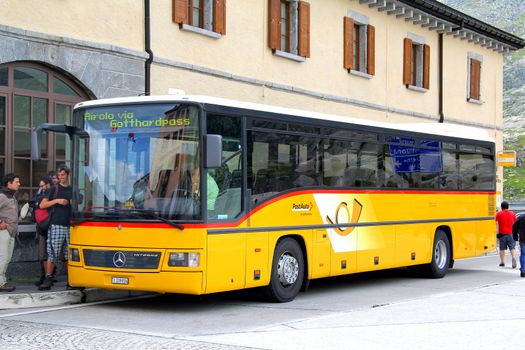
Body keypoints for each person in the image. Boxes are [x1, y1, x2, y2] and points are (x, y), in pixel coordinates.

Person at [38, 167, 73, 290]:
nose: (61, 177)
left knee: (70, 255)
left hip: (70, 225)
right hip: (56, 224)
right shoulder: (54, 188)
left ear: (68, 175)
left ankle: (72, 280)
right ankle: (48, 278)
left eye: (63, 175)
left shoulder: (72, 189)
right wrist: (57, 200)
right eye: (59, 175)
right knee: (53, 252)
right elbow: (42, 205)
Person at [0, 173, 21, 292]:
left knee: (6, 259)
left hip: (11, 232)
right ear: (9, 183)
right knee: (3, 258)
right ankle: (1, 283)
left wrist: (16, 228)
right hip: (4, 231)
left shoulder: (11, 196)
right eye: (16, 182)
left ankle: (2, 281)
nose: (19, 184)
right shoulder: (2, 196)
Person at [30, 176, 52, 286]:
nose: (41, 188)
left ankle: (50, 276)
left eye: (43, 185)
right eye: (40, 186)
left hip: (51, 228)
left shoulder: (53, 195)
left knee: (52, 254)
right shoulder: (40, 196)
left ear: (48, 184)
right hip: (42, 229)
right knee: (42, 254)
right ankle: (43, 276)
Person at [495, 201, 517, 268]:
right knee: (512, 248)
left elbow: (497, 224)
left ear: (501, 207)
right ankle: (513, 258)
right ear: (508, 207)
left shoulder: (498, 214)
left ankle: (502, 262)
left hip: (502, 234)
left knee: (502, 249)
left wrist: (497, 233)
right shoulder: (512, 213)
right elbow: (515, 223)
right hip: (511, 233)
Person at [512, 213, 525, 277]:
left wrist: (515, 237)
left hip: (523, 238)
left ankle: (523, 270)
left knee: (523, 254)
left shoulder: (521, 217)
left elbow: (514, 226)